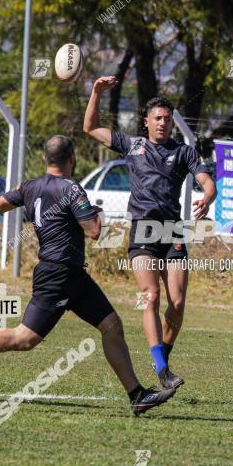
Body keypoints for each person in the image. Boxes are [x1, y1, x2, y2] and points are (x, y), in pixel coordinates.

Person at [0, 135, 176, 416]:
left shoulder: (29, 186)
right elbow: (94, 231)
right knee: (24, 338)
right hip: (58, 274)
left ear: (46, 160)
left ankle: (137, 395)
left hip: (71, 274)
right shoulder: (72, 189)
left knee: (112, 325)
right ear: (71, 159)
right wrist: (98, 214)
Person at [83, 77, 216, 390]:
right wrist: (96, 93)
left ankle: (163, 361)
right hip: (143, 229)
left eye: (168, 119)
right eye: (158, 118)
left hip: (174, 231)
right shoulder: (133, 146)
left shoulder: (184, 152)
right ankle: (161, 370)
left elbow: (207, 182)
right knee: (150, 296)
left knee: (179, 303)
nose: (163, 123)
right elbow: (90, 128)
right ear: (146, 122)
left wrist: (207, 197)